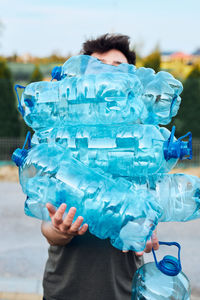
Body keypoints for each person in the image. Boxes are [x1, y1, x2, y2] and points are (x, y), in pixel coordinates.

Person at [41, 33, 159, 300]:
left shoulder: (142, 146)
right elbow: (47, 227)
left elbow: (152, 210)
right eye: (97, 65)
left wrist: (147, 228)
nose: (107, 73)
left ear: (130, 82)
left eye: (117, 67)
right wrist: (60, 230)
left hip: (123, 289)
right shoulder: (62, 140)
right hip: (64, 289)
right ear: (83, 80)